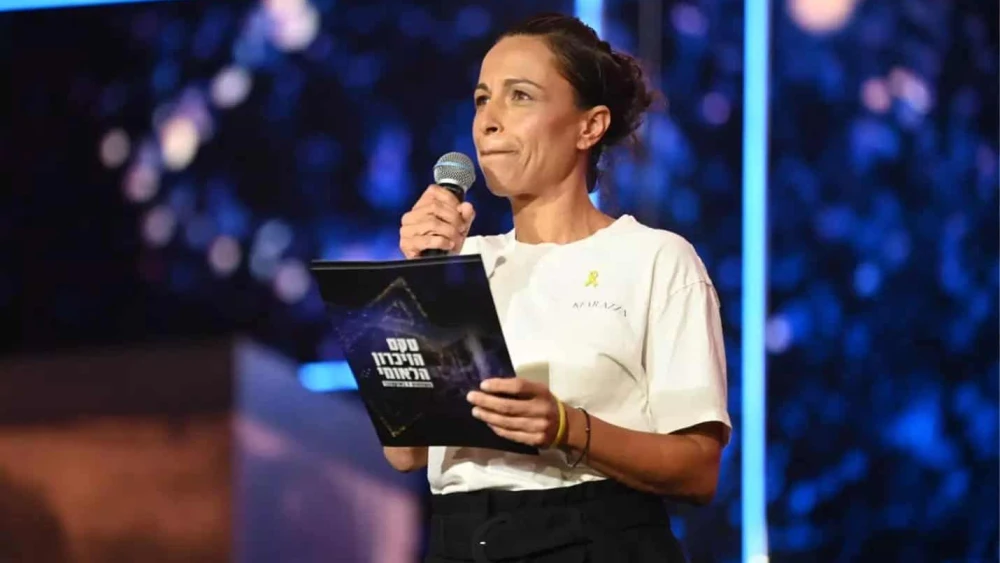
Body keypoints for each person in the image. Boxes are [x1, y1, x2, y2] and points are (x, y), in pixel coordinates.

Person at [392, 12, 731, 563]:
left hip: (599, 536)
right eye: (482, 100)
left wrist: (567, 426)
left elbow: (698, 468)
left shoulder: (655, 259)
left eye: (519, 97)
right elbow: (405, 453)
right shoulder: (460, 262)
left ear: (589, 127)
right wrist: (421, 280)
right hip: (459, 539)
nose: (489, 122)